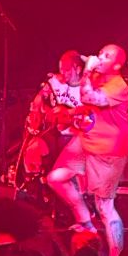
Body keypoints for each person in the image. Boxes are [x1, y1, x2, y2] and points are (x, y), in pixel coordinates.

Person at [47, 44, 128, 256]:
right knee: (55, 178)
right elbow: (85, 104)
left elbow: (89, 96)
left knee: (104, 206)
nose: (101, 57)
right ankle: (86, 222)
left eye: (107, 56)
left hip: (108, 150)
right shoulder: (96, 75)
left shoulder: (118, 86)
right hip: (86, 141)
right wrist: (69, 112)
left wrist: (85, 71)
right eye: (101, 53)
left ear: (117, 65)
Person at [22, 50, 84, 178]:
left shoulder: (86, 89)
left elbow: (92, 119)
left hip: (74, 137)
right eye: (61, 69)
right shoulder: (56, 81)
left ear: (77, 69)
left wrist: (67, 113)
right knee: (32, 153)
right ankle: (34, 189)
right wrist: (36, 110)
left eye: (67, 70)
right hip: (52, 132)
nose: (63, 73)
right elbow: (39, 97)